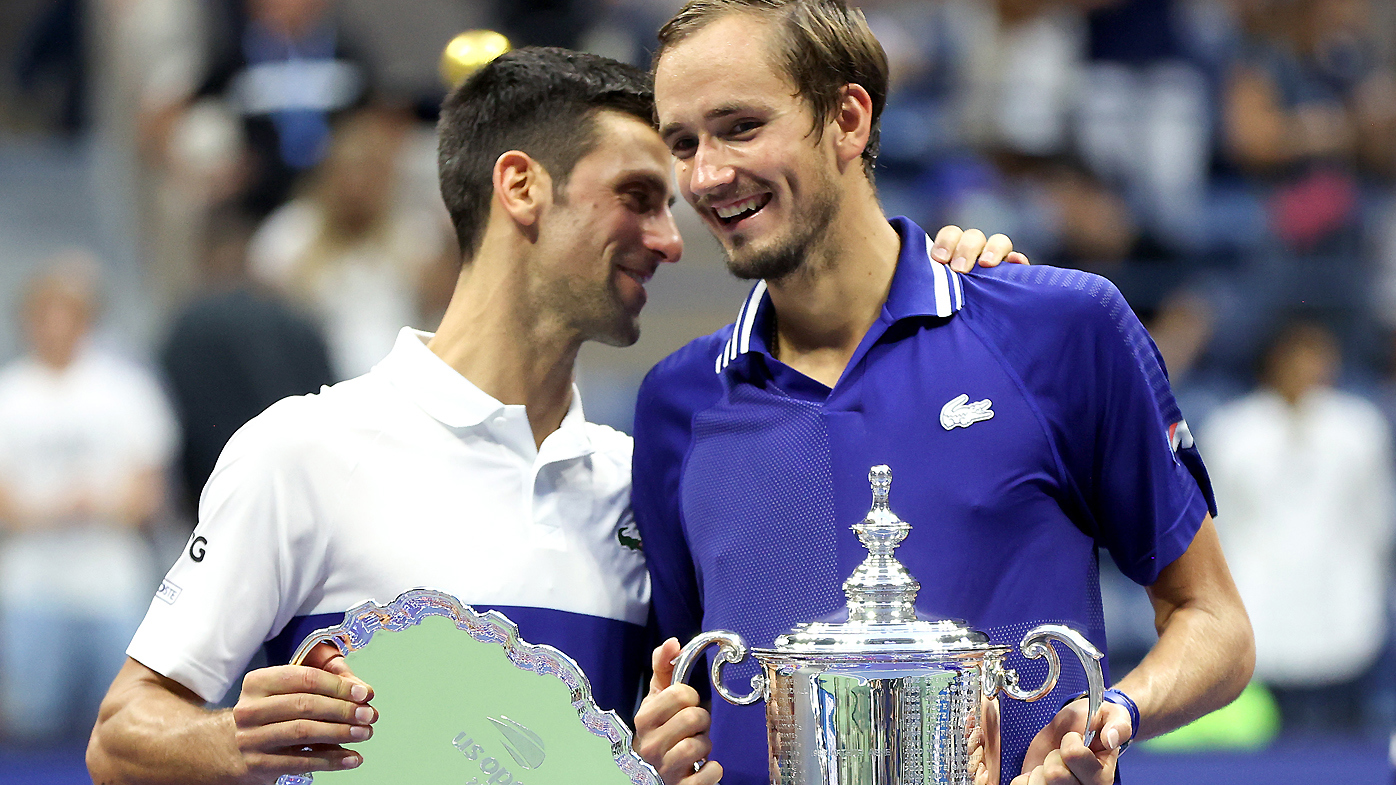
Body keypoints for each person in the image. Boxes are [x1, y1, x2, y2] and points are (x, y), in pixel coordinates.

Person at [85, 44, 1020, 783]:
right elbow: (123, 734)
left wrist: (959, 303)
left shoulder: (643, 476)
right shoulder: (301, 449)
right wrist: (238, 742)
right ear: (521, 186)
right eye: (638, 198)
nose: (668, 237)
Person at [628, 3, 1254, 785]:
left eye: (740, 127)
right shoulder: (675, 403)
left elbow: (1215, 623)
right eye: (683, 143)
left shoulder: (1061, 329)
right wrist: (659, 745)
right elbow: (682, 693)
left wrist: (1112, 717)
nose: (706, 175)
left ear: (848, 118)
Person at [0, 256, 177, 742]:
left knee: (123, 727)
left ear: (88, 320)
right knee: (31, 727)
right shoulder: (9, 394)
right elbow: (6, 506)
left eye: (68, 313)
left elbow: (148, 494)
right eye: (45, 313)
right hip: (31, 588)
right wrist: (68, 506)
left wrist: (86, 506)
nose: (56, 326)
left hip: (110, 586)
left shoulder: (127, 389)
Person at [1205, 319, 1395, 735]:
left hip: (1344, 598)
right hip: (1261, 596)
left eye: (1321, 355)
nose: (1311, 366)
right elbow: (1219, 524)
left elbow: (1377, 517)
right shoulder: (1233, 432)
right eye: (1300, 354)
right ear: (1275, 361)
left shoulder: (1361, 428)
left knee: (1347, 739)